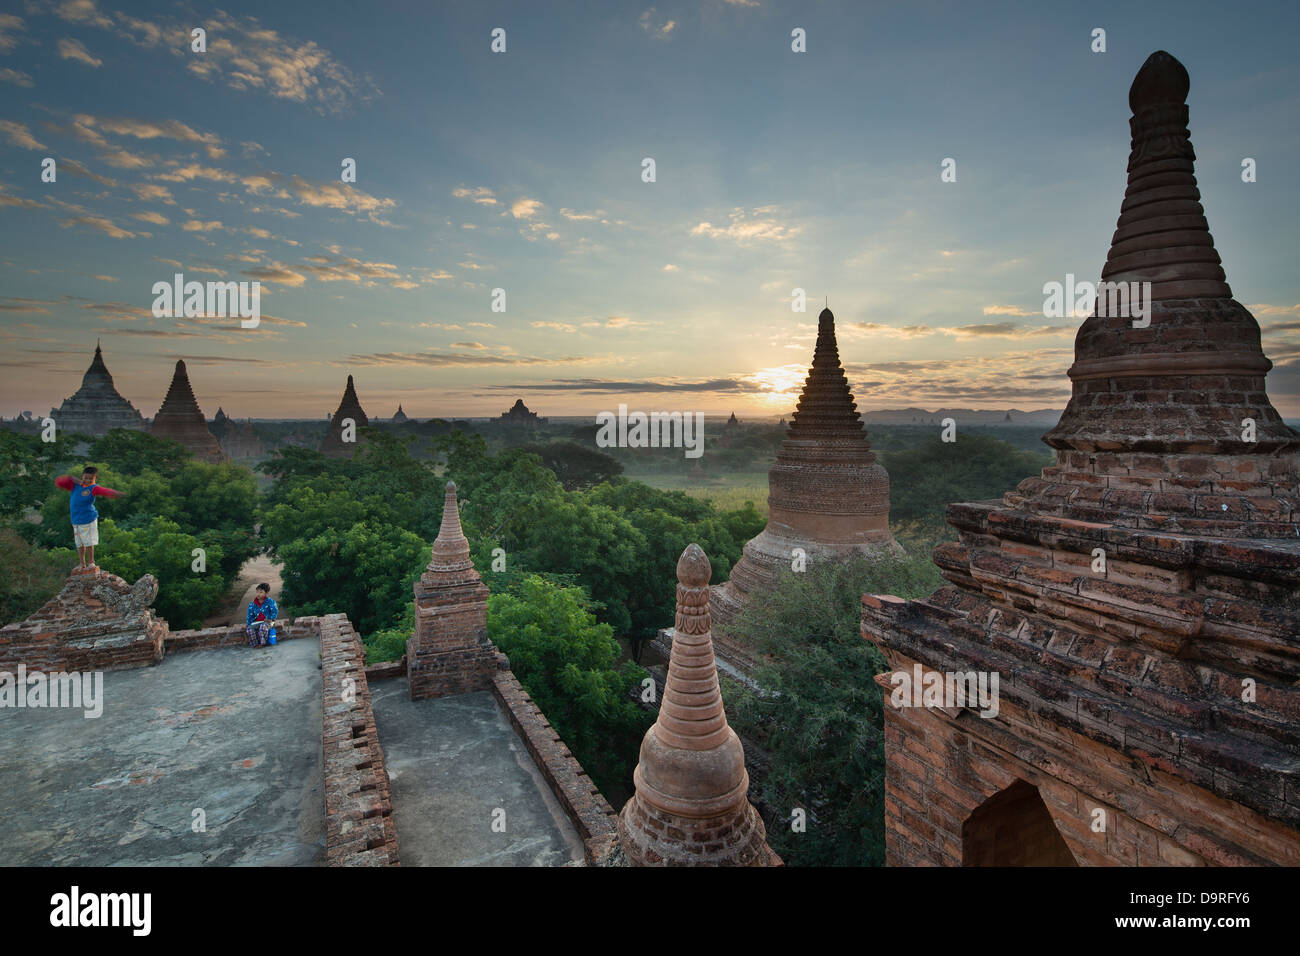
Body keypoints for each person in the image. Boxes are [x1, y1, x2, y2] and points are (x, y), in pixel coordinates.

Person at [54, 466, 124, 574]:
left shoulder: (93, 488)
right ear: (82, 476)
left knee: (88, 542)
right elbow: (59, 483)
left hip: (88, 519)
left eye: (90, 479)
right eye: (85, 478)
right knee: (79, 543)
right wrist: (70, 478)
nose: (87, 480)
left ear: (95, 478)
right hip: (76, 520)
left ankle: (91, 562)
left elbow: (104, 490)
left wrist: (115, 493)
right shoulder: (76, 486)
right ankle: (82, 563)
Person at [245, 582, 279, 647]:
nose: (258, 594)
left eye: (261, 592)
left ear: (266, 593)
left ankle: (262, 644)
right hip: (256, 622)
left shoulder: (270, 602)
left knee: (262, 627)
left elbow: (274, 611)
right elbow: (249, 616)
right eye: (257, 592)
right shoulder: (252, 604)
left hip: (268, 622)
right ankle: (255, 644)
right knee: (249, 629)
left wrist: (271, 619)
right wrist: (248, 624)